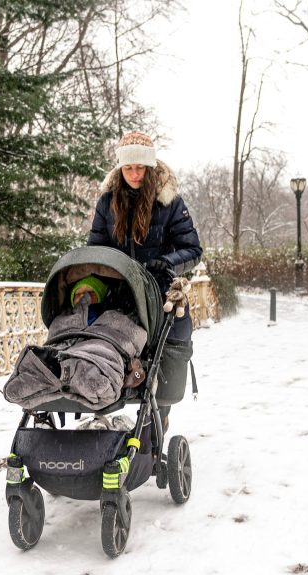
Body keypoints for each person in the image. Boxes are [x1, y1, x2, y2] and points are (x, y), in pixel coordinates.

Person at [88, 131, 203, 426]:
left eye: (141, 167)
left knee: (171, 340)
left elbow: (192, 249)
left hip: (160, 289)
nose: (135, 174)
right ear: (120, 168)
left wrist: (166, 262)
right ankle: (98, 393)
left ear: (150, 167)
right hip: (119, 288)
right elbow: (96, 249)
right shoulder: (107, 203)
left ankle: (161, 409)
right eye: (128, 167)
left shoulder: (170, 203)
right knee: (97, 332)